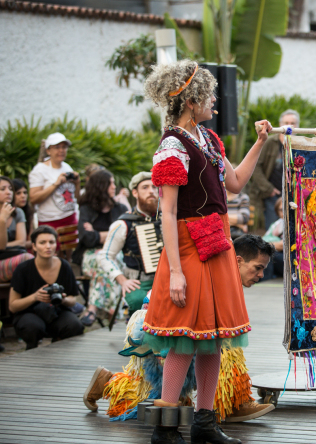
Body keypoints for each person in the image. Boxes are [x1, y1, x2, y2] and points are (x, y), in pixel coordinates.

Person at [142, 59, 274, 444]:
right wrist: (177, 270)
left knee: (213, 337)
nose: (215, 101)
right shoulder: (172, 145)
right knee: (185, 337)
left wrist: (260, 142)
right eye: (209, 95)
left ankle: (204, 421)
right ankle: (165, 429)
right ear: (191, 100)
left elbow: (234, 184)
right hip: (186, 247)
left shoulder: (208, 139)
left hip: (216, 243)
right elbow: (166, 211)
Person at [83, 234, 275, 420]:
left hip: (182, 329)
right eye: (258, 268)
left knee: (216, 345)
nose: (261, 275)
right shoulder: (210, 271)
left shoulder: (223, 276)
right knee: (223, 352)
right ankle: (234, 403)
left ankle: (227, 403)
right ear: (239, 261)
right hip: (159, 328)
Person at [8, 226, 84, 350]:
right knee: (32, 326)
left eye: (51, 242)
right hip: (29, 312)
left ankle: (59, 348)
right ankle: (31, 349)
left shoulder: (64, 266)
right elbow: (12, 305)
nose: (48, 246)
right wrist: (35, 297)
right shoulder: (23, 269)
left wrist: (63, 300)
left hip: (57, 311)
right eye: (42, 243)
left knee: (75, 325)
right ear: (34, 246)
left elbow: (73, 300)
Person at [97, 172, 160, 316]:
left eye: (154, 187)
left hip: (167, 279)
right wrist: (122, 279)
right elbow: (105, 256)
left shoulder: (168, 218)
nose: (151, 191)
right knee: (139, 300)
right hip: (139, 281)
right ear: (135, 193)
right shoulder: (123, 224)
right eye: (145, 187)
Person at [75, 170, 128, 326]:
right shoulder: (86, 209)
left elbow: (126, 234)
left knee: (106, 260)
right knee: (103, 258)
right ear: (101, 186)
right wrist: (113, 234)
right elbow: (87, 239)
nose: (114, 186)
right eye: (110, 183)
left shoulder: (119, 208)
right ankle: (116, 313)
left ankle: (92, 309)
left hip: (115, 255)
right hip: (90, 255)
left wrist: (97, 233)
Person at [248, 109, 300, 230]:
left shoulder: (300, 144)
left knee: (292, 230)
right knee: (273, 230)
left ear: (297, 125)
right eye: (286, 122)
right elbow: (256, 166)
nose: (289, 125)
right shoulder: (270, 142)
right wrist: (268, 189)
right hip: (272, 195)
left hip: (294, 195)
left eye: (293, 122)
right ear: (280, 124)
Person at [28, 132, 80, 251]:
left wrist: (77, 183)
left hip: (70, 219)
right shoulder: (40, 170)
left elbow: (75, 197)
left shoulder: (67, 167)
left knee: (69, 259)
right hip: (51, 222)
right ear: (48, 150)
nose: (61, 150)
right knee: (51, 256)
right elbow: (33, 198)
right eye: (57, 147)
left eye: (64, 147)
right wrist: (55, 184)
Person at [0, 177, 33, 282]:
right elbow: (1, 246)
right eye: (3, 189)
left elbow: (21, 241)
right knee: (28, 260)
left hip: (11, 256)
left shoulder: (17, 212)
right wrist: (2, 221)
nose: (8, 192)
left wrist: (7, 247)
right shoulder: (3, 217)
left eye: (10, 189)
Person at [261, 198, 284, 281]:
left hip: (290, 260)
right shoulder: (277, 224)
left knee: (268, 251)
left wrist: (269, 245)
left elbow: (283, 245)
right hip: (279, 258)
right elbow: (261, 243)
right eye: (281, 210)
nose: (284, 212)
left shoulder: (295, 223)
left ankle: (265, 278)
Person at [11, 179, 34, 249]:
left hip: (24, 250)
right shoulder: (6, 213)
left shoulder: (28, 211)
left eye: (25, 192)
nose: (23, 196)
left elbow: (31, 241)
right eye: (18, 193)